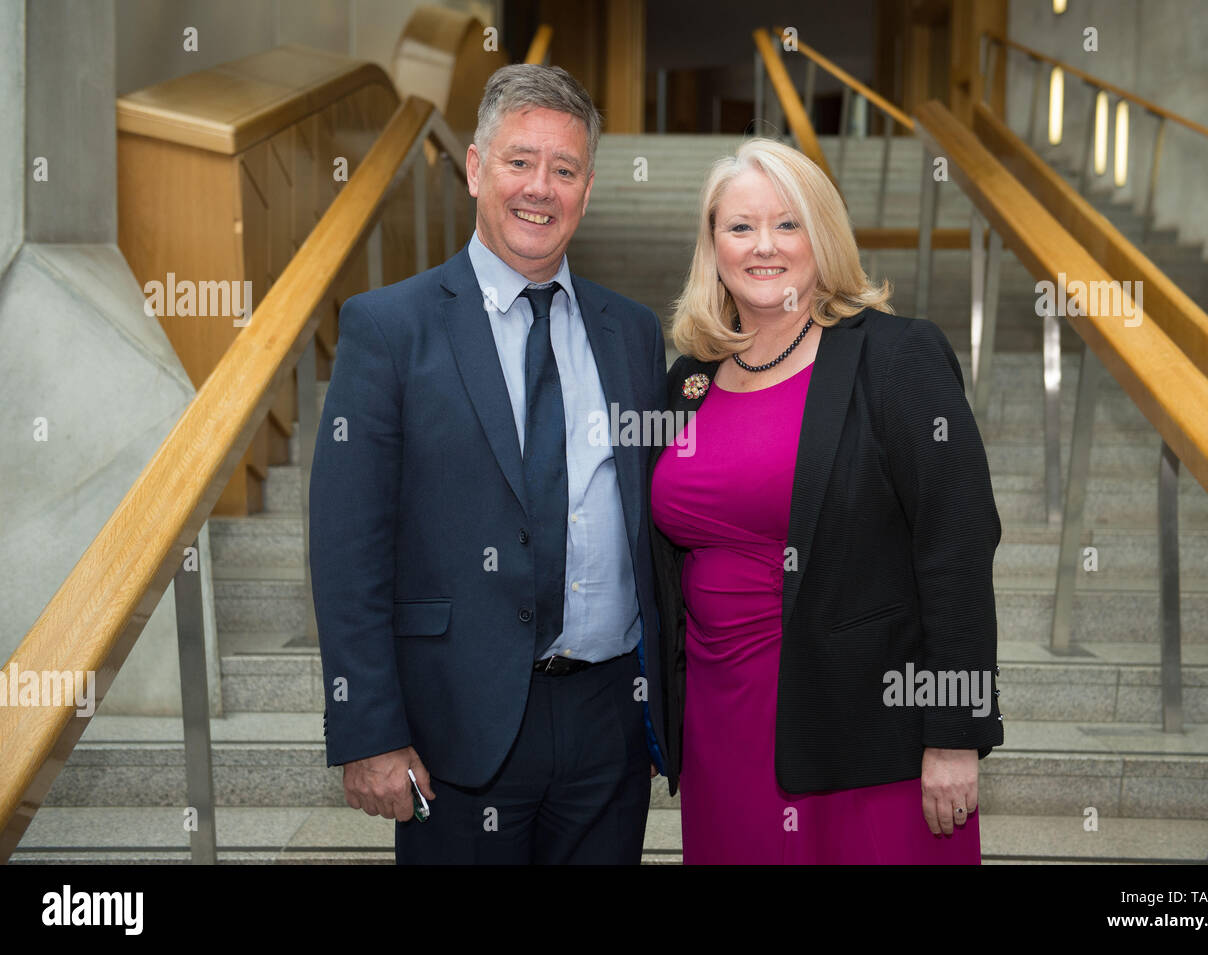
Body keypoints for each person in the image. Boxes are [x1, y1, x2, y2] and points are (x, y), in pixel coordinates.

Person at [309, 64, 668, 865]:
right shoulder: (389, 328)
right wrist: (370, 730)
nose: (540, 188)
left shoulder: (632, 333)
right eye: (519, 162)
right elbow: (347, 547)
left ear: (587, 186)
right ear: (475, 169)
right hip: (454, 729)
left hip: (608, 727)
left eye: (565, 169)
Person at [649, 138, 1003, 865]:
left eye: (789, 224)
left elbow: (957, 545)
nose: (763, 247)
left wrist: (955, 731)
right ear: (712, 244)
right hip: (721, 724)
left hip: (865, 730)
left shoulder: (895, 357)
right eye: (740, 226)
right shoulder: (689, 379)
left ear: (825, 235)